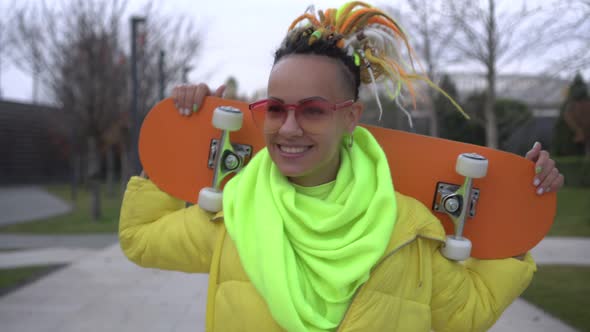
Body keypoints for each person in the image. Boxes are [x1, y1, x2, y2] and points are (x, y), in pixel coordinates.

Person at [119, 2, 564, 331]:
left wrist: (519, 207)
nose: (288, 128)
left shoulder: (407, 230)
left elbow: (468, 312)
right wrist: (178, 142)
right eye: (275, 108)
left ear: (350, 116)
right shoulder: (233, 214)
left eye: (312, 110)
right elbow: (140, 240)